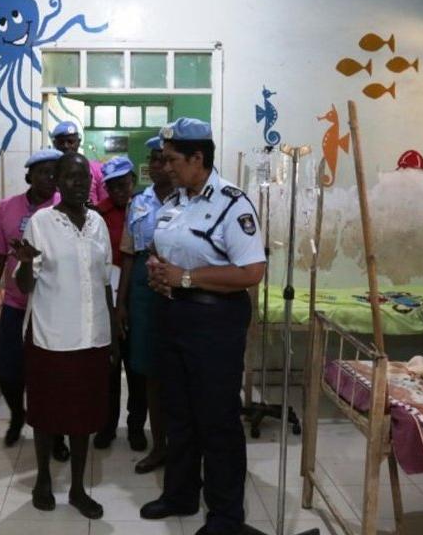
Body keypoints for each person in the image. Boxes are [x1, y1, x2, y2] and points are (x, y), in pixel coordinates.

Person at [139, 118, 266, 535]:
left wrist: (187, 278)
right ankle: (180, 493)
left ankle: (226, 515)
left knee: (217, 418)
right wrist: (159, 270)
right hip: (173, 316)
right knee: (178, 412)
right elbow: (165, 250)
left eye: (172, 160)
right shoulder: (174, 203)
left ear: (198, 158)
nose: (165, 167)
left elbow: (251, 271)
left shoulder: (233, 204)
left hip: (215, 322)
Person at [13, 152, 114, 519]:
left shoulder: (98, 223)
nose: (79, 184)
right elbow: (25, 285)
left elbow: (105, 281)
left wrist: (113, 334)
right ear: (57, 181)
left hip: (92, 336)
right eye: (71, 177)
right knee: (46, 412)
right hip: (51, 336)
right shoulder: (41, 223)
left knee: (84, 417)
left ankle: (77, 488)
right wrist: (26, 262)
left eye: (84, 177)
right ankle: (42, 479)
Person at [0, 148, 71, 459]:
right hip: (16, 304)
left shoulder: (64, 208)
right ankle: (18, 415)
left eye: (55, 173)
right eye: (44, 172)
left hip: (52, 307)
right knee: (8, 372)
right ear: (30, 175)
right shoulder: (8, 208)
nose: (50, 178)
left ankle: (57, 435)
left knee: (52, 377)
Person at [116, 136, 175, 474]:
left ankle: (180, 443)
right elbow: (127, 254)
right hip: (142, 286)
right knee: (149, 369)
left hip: (179, 282)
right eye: (152, 159)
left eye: (161, 159)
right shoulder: (138, 202)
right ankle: (159, 445)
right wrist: (121, 303)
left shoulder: (189, 200)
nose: (155, 165)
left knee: (177, 368)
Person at [93, 156, 147, 452]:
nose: (118, 191)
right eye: (112, 186)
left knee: (137, 368)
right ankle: (107, 426)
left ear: (132, 182)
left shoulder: (145, 208)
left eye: (123, 185)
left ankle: (136, 427)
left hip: (137, 298)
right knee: (108, 369)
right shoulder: (97, 214)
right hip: (104, 297)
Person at [50, 120, 108, 204]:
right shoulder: (51, 170)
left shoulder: (97, 169)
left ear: (79, 142)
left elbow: (105, 202)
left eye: (70, 141)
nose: (66, 146)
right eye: (61, 142)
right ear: (55, 144)